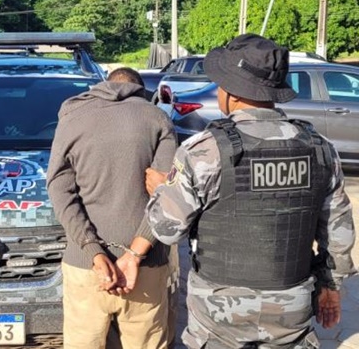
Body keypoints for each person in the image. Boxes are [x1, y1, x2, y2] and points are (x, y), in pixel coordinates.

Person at [121, 34, 356, 348]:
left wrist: (164, 189)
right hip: (291, 308)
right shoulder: (319, 149)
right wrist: (331, 285)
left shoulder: (205, 151)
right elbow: (338, 232)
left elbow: (166, 227)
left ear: (230, 93)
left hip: (220, 316)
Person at [47, 67, 177, 349]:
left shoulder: (72, 118)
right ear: (141, 92)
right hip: (146, 267)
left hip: (86, 268)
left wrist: (93, 250)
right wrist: (133, 255)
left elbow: (59, 189)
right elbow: (168, 195)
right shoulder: (157, 118)